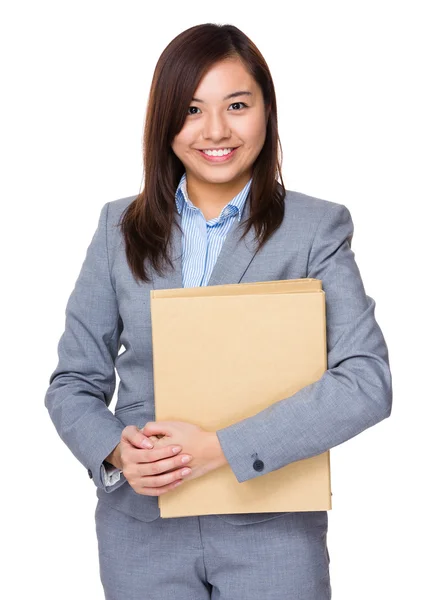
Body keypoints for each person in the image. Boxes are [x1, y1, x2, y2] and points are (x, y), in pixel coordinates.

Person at [44, 22, 392, 600]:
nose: (215, 131)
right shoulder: (118, 228)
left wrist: (219, 448)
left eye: (236, 105)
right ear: (165, 124)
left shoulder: (315, 229)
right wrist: (113, 449)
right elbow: (73, 383)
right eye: (191, 110)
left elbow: (366, 382)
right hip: (141, 532)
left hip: (272, 530)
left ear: (266, 110)